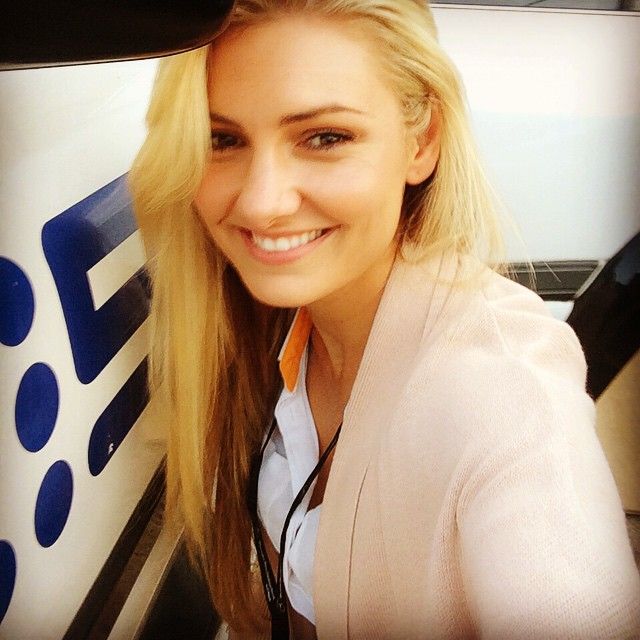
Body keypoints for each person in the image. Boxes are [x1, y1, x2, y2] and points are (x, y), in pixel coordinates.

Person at [129, 0, 640, 637]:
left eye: (325, 138)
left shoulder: (504, 397)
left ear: (421, 141)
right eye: (223, 140)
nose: (261, 202)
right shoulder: (273, 326)